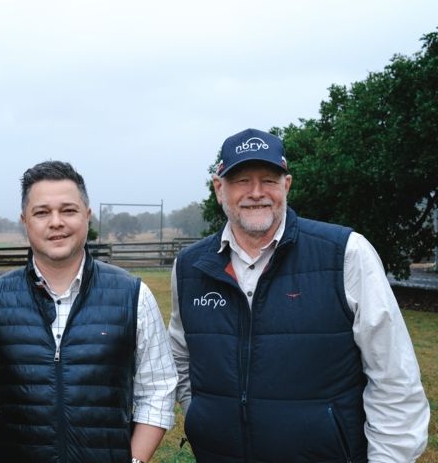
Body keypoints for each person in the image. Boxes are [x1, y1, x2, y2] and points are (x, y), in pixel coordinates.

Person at [168, 128, 430, 462]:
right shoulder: (190, 266)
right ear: (220, 188)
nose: (257, 192)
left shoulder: (347, 253)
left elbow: (394, 378)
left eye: (269, 180)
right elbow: (180, 355)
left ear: (286, 185)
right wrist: (203, 416)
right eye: (242, 181)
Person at [0, 161, 177, 463]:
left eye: (68, 210)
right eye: (42, 212)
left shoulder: (134, 295)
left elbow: (158, 390)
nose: (56, 222)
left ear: (87, 217)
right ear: (24, 220)